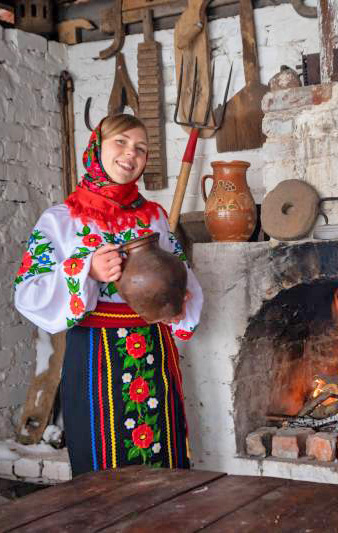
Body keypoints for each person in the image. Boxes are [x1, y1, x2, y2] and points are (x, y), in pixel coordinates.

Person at [14, 114, 203, 476]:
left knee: (163, 457)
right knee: (102, 464)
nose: (130, 155)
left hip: (153, 349)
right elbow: (28, 290)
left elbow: (183, 275)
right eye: (121, 142)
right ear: (96, 145)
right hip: (94, 354)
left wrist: (179, 308)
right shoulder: (61, 220)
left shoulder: (154, 217)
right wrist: (86, 270)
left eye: (141, 149)